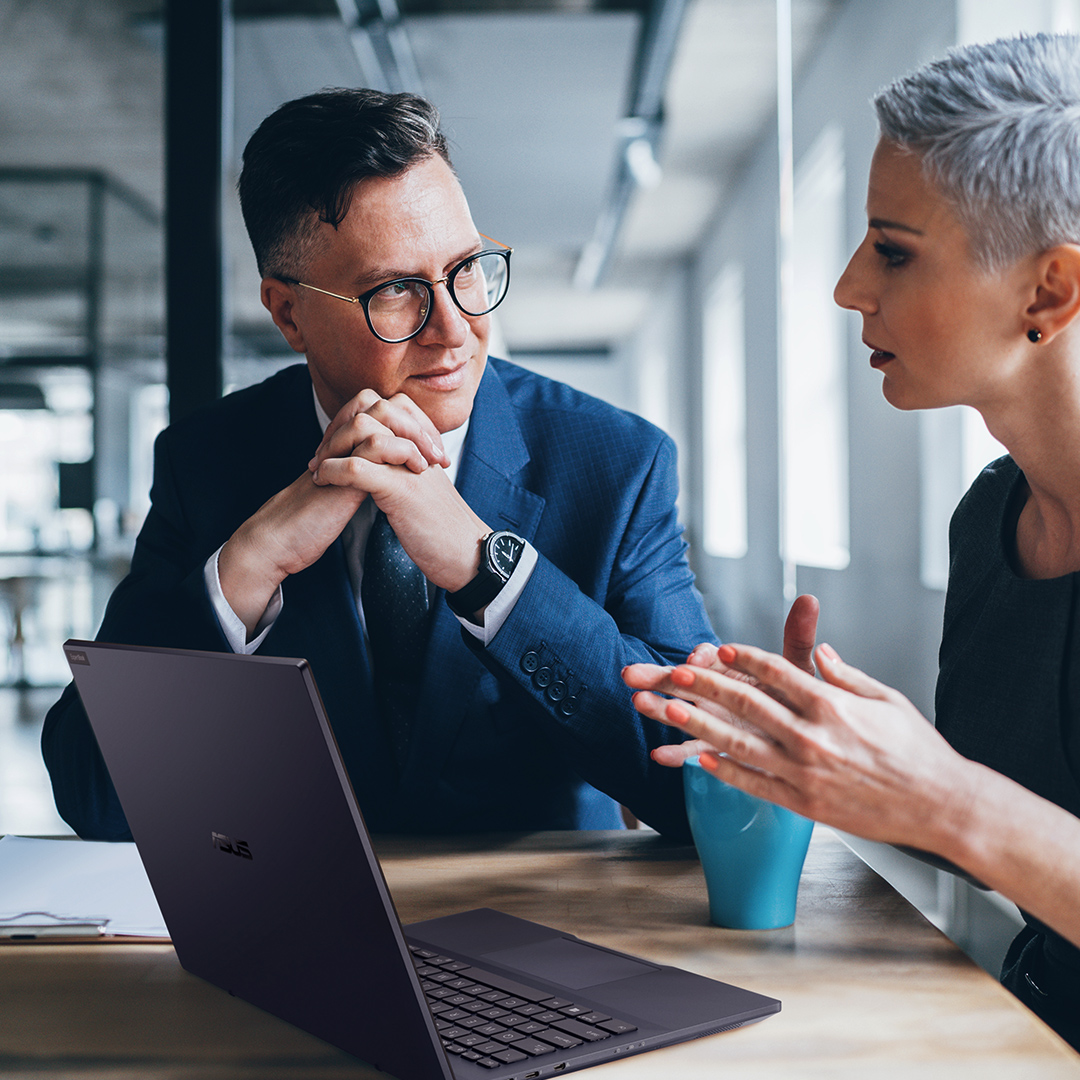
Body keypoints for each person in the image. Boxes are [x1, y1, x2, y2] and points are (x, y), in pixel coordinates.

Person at [42, 87, 746, 840]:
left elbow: (704, 779)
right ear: (288, 314)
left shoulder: (618, 465)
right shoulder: (208, 461)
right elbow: (96, 797)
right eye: (396, 291)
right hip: (304, 924)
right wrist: (249, 564)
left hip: (551, 926)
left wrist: (493, 574)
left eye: (467, 269)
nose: (455, 329)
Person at [624, 33, 1080, 1048]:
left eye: (892, 249)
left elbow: (979, 819)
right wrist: (827, 758)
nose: (846, 288)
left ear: (1047, 292)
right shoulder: (990, 520)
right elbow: (1004, 854)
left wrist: (943, 797)